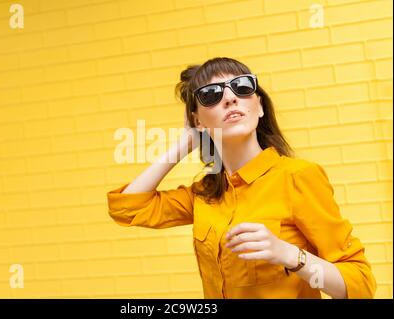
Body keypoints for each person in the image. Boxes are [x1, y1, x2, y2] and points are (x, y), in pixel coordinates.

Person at [106, 57, 376, 299]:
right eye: (211, 94)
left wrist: (288, 254)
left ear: (259, 106)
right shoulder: (205, 193)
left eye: (242, 87)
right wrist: (185, 143)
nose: (230, 98)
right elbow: (127, 208)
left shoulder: (297, 177)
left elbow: (359, 285)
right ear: (197, 121)